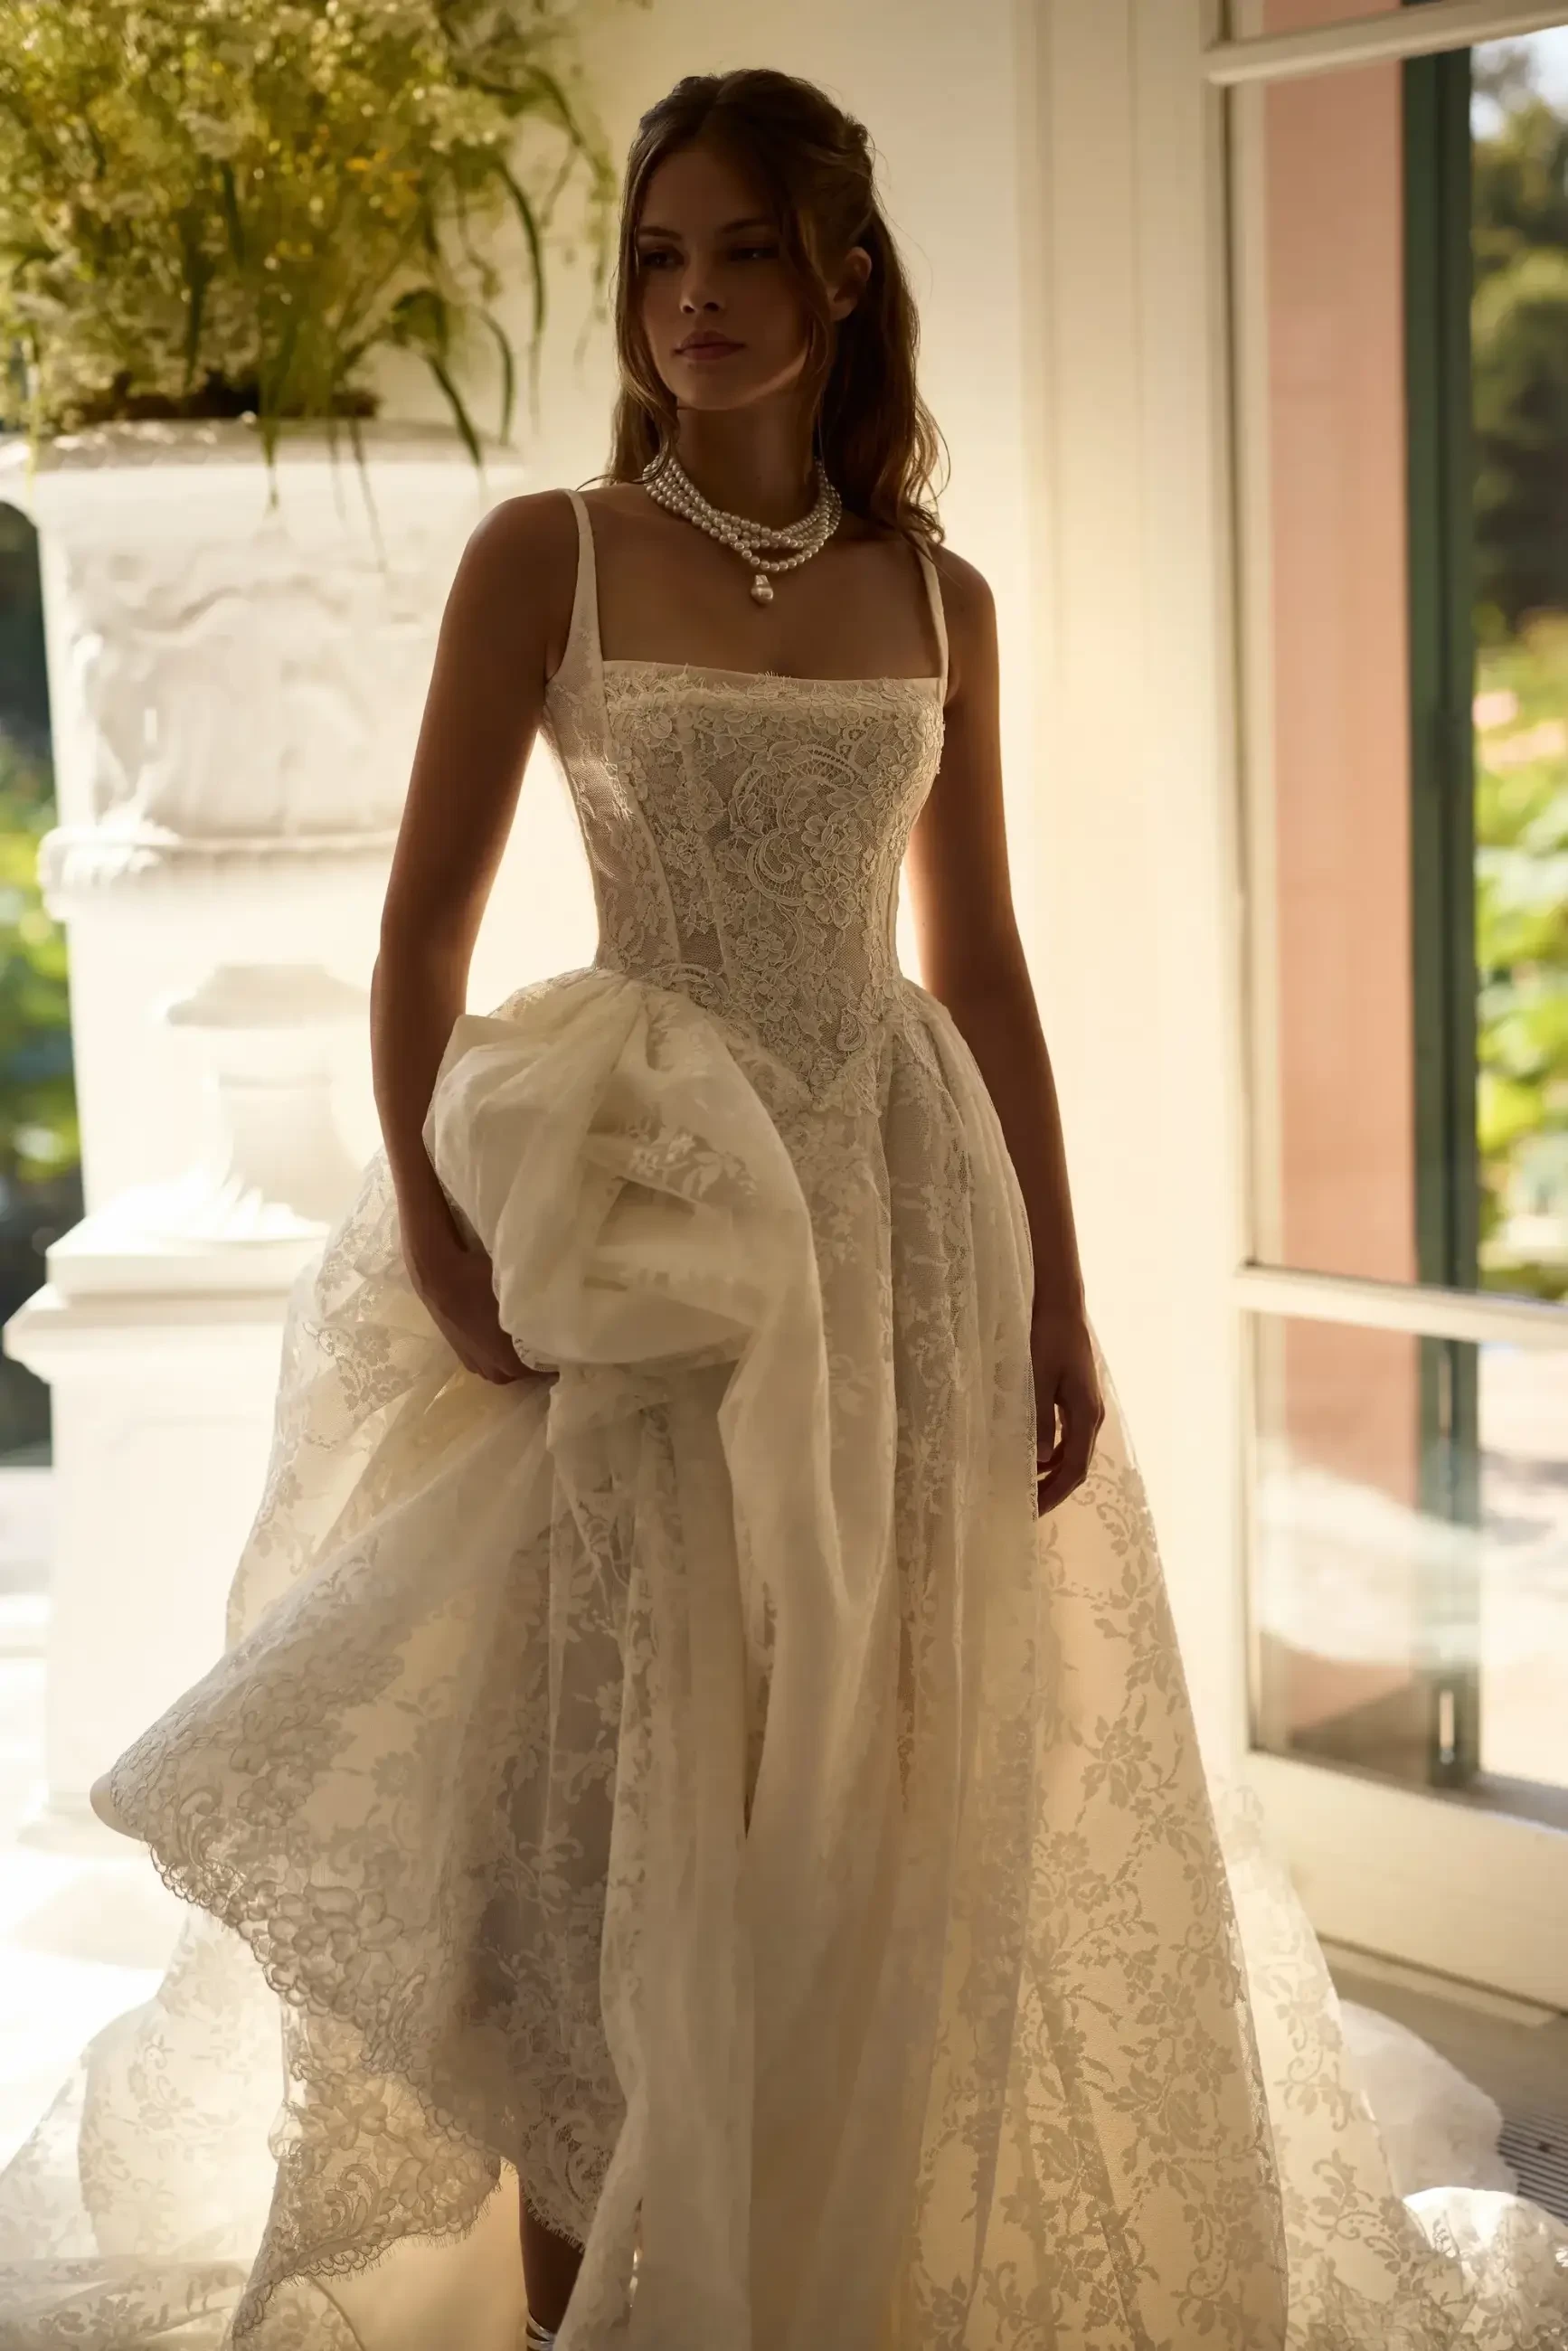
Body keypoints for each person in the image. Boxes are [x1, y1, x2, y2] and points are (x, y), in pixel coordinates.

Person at [2, 62, 1565, 2351]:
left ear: (841, 279)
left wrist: (1060, 1297)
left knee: (864, 1786)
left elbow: (988, 958)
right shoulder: (544, 550)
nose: (692, 301)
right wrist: (445, 1246)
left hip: (894, 1218)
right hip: (635, 1222)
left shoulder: (939, 598)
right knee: (607, 1813)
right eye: (658, 256)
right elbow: (418, 942)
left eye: (742, 252)